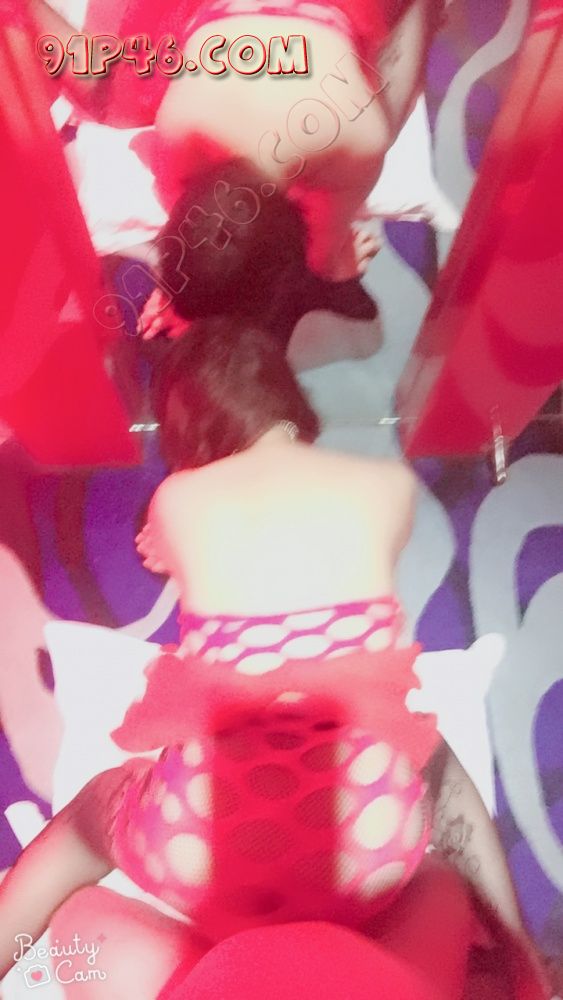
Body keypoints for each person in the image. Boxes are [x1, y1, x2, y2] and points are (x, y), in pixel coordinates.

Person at [0, 320, 551, 999]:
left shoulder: (178, 499)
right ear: (289, 401)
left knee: (90, 823)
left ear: (189, 438)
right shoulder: (387, 484)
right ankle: (516, 942)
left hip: (202, 850)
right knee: (425, 764)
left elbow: (165, 552)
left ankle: (8, 936)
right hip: (367, 856)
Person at [25, 0, 446, 342]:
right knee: (112, 93)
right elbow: (201, 225)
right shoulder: (183, 125)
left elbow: (323, 253)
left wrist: (333, 262)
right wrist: (185, 287)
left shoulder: (357, 137)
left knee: (384, 101)